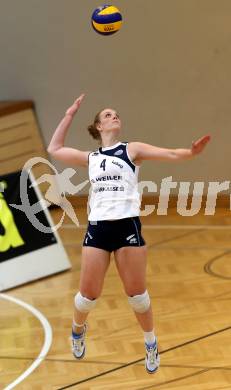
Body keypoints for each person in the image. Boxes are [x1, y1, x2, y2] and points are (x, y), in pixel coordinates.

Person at [47, 94, 210, 374]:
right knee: (88, 296)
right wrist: (70, 114)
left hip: (127, 226)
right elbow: (55, 148)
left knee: (137, 295)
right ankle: (77, 329)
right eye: (108, 115)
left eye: (116, 114)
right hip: (98, 228)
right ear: (98, 126)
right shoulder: (92, 158)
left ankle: (150, 343)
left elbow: (171, 154)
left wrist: (191, 153)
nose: (114, 116)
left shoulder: (131, 149)